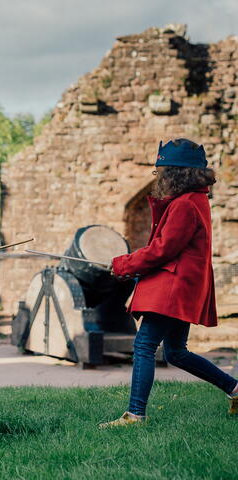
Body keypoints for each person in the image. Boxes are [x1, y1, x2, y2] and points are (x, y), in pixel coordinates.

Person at [100, 138, 238, 428]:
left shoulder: (186, 204)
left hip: (172, 286)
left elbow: (163, 249)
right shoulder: (192, 201)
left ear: (176, 174)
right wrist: (126, 264)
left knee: (144, 345)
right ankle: (235, 389)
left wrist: (123, 264)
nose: (159, 178)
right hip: (180, 284)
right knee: (176, 351)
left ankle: (135, 415)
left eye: (161, 172)